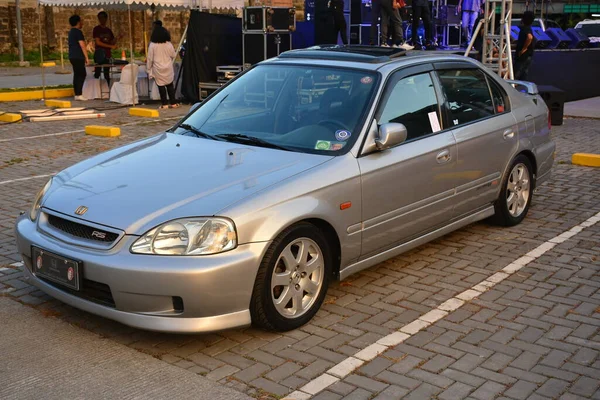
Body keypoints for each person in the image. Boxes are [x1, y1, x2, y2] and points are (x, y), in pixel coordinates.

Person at [147, 26, 179, 109]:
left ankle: (164, 104)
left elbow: (150, 58)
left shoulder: (152, 45)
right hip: (168, 67)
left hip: (158, 68)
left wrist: (148, 68)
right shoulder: (169, 44)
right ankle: (173, 103)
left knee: (161, 86)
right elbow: (173, 55)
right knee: (170, 85)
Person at [68, 15, 89, 101]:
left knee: (76, 74)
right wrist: (87, 57)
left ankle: (77, 93)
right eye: (81, 21)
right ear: (78, 22)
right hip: (78, 55)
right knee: (82, 74)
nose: (82, 23)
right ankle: (79, 93)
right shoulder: (78, 32)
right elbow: (82, 45)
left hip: (72, 55)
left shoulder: (71, 32)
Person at [93, 11, 116, 85]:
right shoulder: (96, 29)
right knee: (97, 72)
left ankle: (108, 88)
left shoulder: (108, 30)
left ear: (106, 19)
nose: (101, 20)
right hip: (99, 54)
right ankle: (96, 89)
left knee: (107, 73)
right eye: (99, 18)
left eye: (102, 18)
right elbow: (98, 42)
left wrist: (118, 37)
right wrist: (110, 46)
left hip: (107, 54)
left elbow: (112, 42)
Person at [514, 11, 537, 80]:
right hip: (528, 55)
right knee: (524, 74)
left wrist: (524, 49)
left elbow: (529, 37)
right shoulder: (529, 28)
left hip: (523, 56)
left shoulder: (525, 28)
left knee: (517, 73)